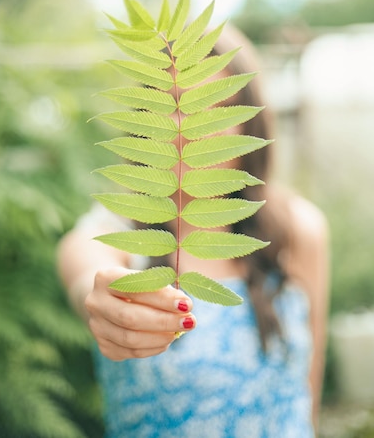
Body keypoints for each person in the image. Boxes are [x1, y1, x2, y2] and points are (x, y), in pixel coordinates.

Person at [57, 24, 329, 438]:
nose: (194, 127)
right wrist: (108, 304)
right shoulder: (114, 232)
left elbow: (306, 393)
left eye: (218, 105)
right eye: (177, 104)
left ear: (248, 124)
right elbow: (87, 277)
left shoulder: (297, 229)